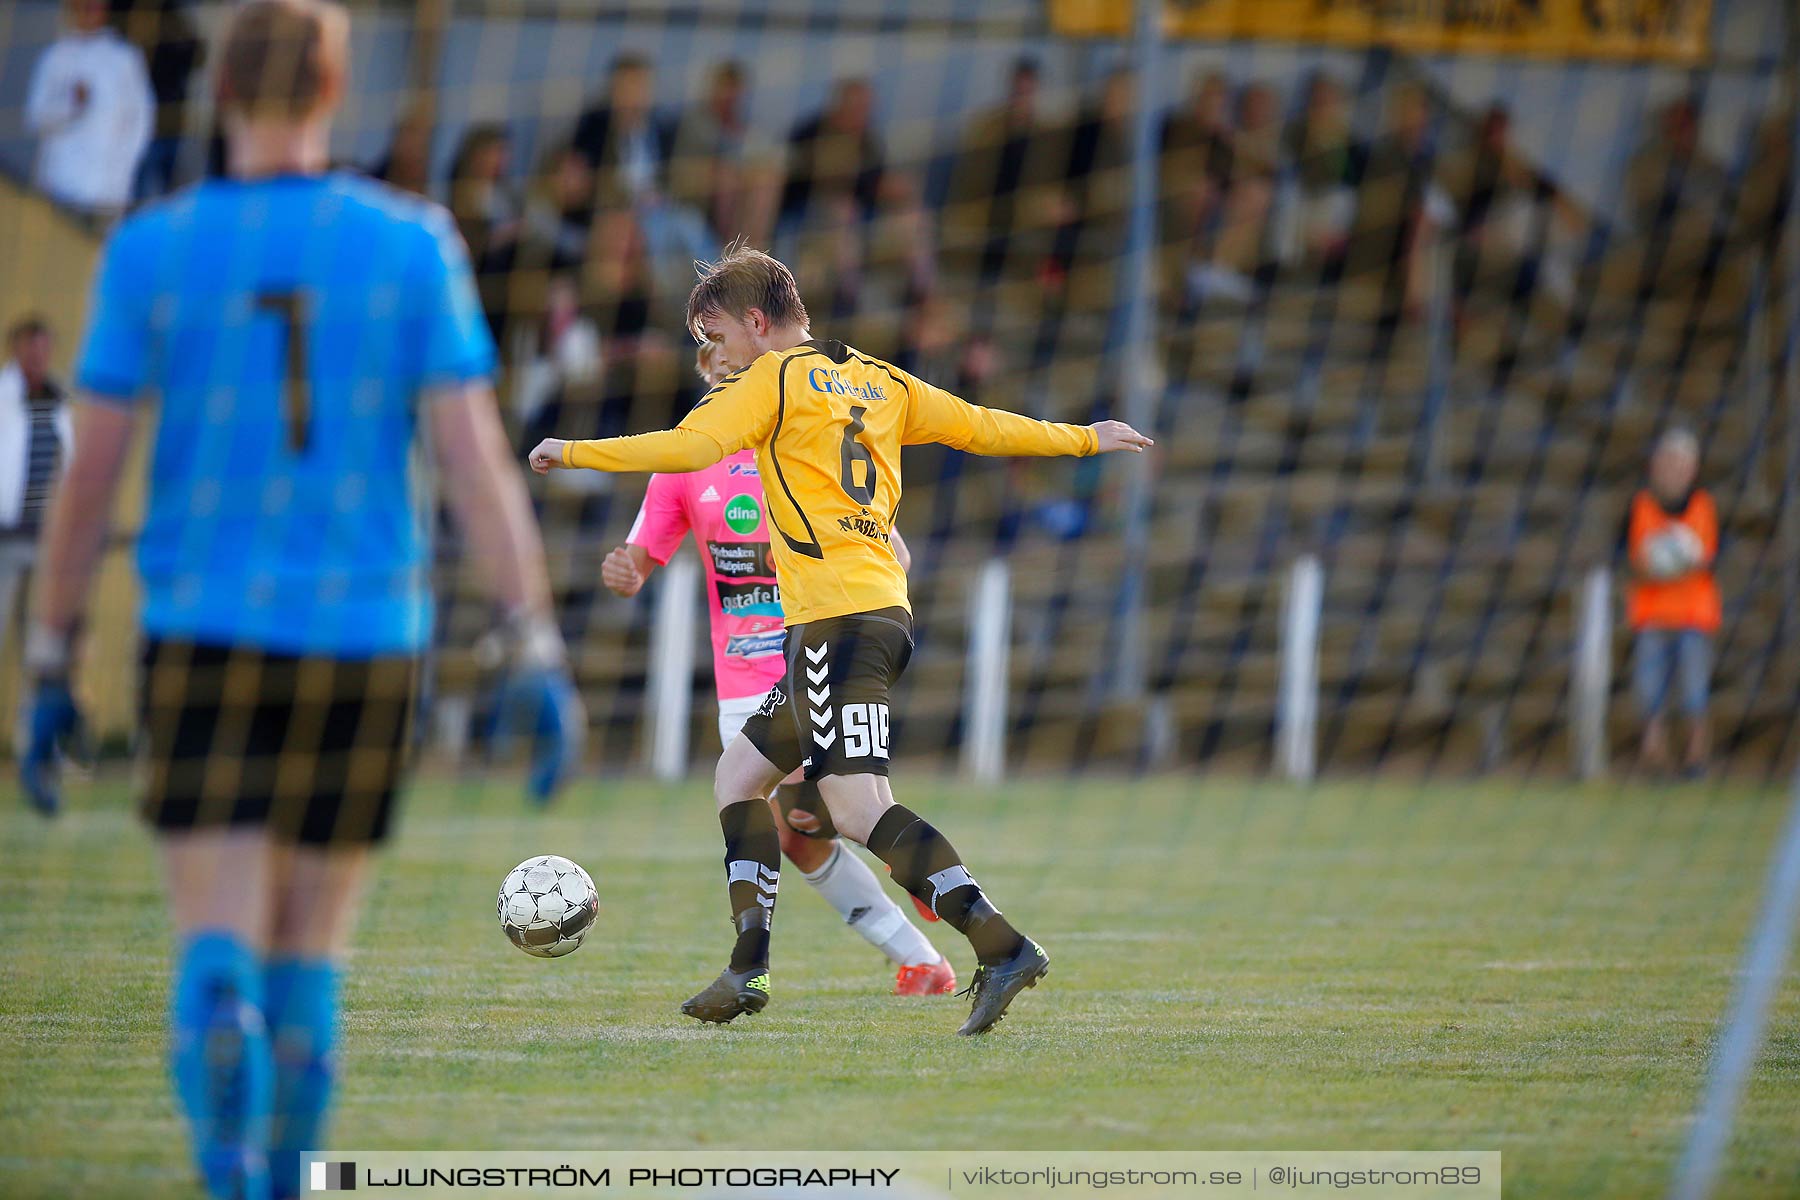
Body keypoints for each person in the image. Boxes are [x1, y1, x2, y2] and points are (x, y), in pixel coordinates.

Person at [16, 4, 583, 1198]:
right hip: (366, 639)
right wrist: (533, 643)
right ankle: (280, 1173)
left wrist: (53, 659)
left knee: (214, 924)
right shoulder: (412, 243)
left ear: (218, 93)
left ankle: (222, 1108)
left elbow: (90, 477)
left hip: (205, 631)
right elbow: (477, 466)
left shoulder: (152, 249)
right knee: (312, 948)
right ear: (335, 94)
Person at [530, 240, 1152, 1034]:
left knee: (857, 810)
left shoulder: (773, 379)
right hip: (875, 613)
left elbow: (690, 447)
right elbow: (980, 426)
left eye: (713, 336)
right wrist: (1084, 436)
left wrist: (572, 450)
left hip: (837, 623)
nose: (709, 354)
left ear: (756, 323)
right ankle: (747, 970)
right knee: (740, 776)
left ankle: (1001, 946)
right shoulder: (878, 378)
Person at [600, 342, 955, 995]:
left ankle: (910, 884)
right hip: (737, 681)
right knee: (804, 840)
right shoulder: (685, 461)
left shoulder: (808, 448)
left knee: (812, 817)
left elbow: (893, 555)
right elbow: (636, 562)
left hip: (811, 660)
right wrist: (623, 571)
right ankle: (923, 949)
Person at [1625, 427, 1721, 778]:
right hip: (1651, 616)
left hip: (1694, 617)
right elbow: (1636, 562)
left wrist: (1680, 561)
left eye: (1681, 464)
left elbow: (1706, 558)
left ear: (1692, 469)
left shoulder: (1702, 506)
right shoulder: (1641, 506)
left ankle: (1696, 759)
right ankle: (1655, 758)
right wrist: (1660, 566)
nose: (1673, 470)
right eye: (1667, 462)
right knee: (1650, 692)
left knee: (1694, 692)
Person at [1, 317, 73, 731]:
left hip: (46, 540)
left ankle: (36, 746)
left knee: (41, 650)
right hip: (4, 538)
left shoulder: (59, 399)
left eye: (43, 349)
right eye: (30, 349)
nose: (37, 358)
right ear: (15, 350)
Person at [25, 0, 155, 214]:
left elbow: (142, 122)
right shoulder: (56, 56)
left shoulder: (125, 59)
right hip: (59, 186)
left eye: (97, 5)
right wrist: (70, 106)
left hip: (107, 193)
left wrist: (123, 169)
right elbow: (34, 117)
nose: (91, 10)